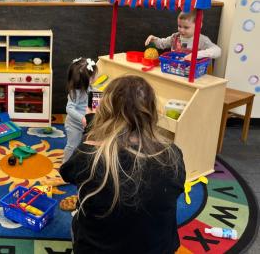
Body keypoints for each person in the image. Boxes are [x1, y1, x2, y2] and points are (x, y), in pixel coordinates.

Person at [60, 75, 186, 253]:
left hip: (97, 248)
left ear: (106, 112)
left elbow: (67, 173)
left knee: (78, 215)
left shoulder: (89, 156)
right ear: (151, 112)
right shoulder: (173, 154)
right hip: (159, 248)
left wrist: (91, 128)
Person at [145, 10, 221, 61]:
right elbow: (162, 44)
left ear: (199, 25)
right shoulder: (175, 37)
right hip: (174, 71)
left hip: (193, 76)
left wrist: (197, 55)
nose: (181, 30)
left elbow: (217, 50)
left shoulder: (202, 40)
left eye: (186, 27)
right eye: (179, 26)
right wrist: (154, 39)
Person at [63, 57, 97, 162]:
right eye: (94, 76)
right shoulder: (75, 92)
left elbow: (93, 97)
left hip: (85, 123)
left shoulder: (89, 87)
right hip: (74, 125)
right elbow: (69, 108)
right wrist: (82, 118)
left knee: (83, 144)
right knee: (72, 146)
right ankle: (65, 164)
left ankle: (78, 161)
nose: (96, 77)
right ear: (88, 79)